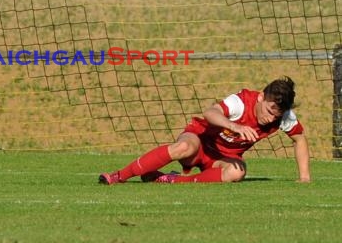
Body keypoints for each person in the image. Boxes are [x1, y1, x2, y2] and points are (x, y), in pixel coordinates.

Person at [99, 76, 311, 184]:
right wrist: (234, 125)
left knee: (238, 172)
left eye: (277, 114)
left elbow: (299, 139)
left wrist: (304, 177)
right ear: (261, 97)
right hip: (199, 142)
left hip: (223, 157)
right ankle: (119, 176)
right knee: (183, 147)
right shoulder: (240, 102)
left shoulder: (283, 116)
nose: (271, 117)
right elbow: (210, 112)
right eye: (269, 110)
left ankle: (171, 180)